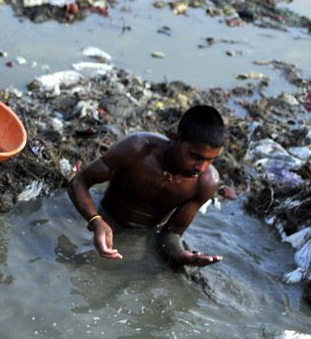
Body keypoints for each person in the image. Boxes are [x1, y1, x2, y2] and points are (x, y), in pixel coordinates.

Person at [68, 105, 226, 267]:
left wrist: (181, 255)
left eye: (211, 160)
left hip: (145, 235)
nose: (201, 168)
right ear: (175, 138)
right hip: (105, 216)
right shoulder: (136, 149)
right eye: (195, 156)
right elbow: (79, 182)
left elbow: (171, 233)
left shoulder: (206, 182)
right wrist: (95, 221)